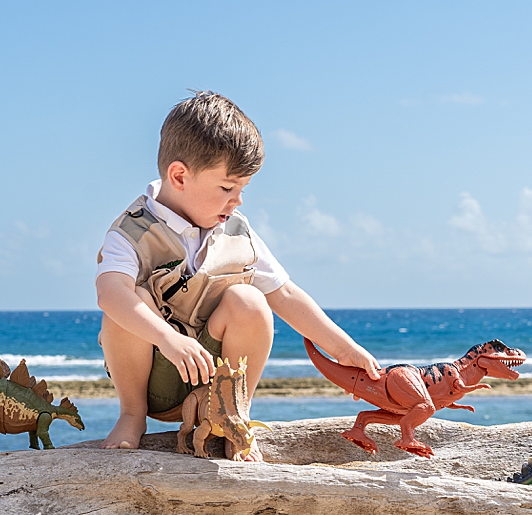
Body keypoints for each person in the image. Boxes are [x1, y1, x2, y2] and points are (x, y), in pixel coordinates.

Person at [95, 90, 380, 460]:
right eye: (228, 188)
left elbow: (285, 295)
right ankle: (131, 415)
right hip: (155, 380)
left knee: (250, 300)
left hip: (215, 381)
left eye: (243, 189)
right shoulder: (132, 232)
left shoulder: (235, 231)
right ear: (179, 176)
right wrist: (166, 338)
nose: (238, 200)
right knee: (131, 299)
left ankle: (232, 415)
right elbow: (109, 291)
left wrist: (345, 351)